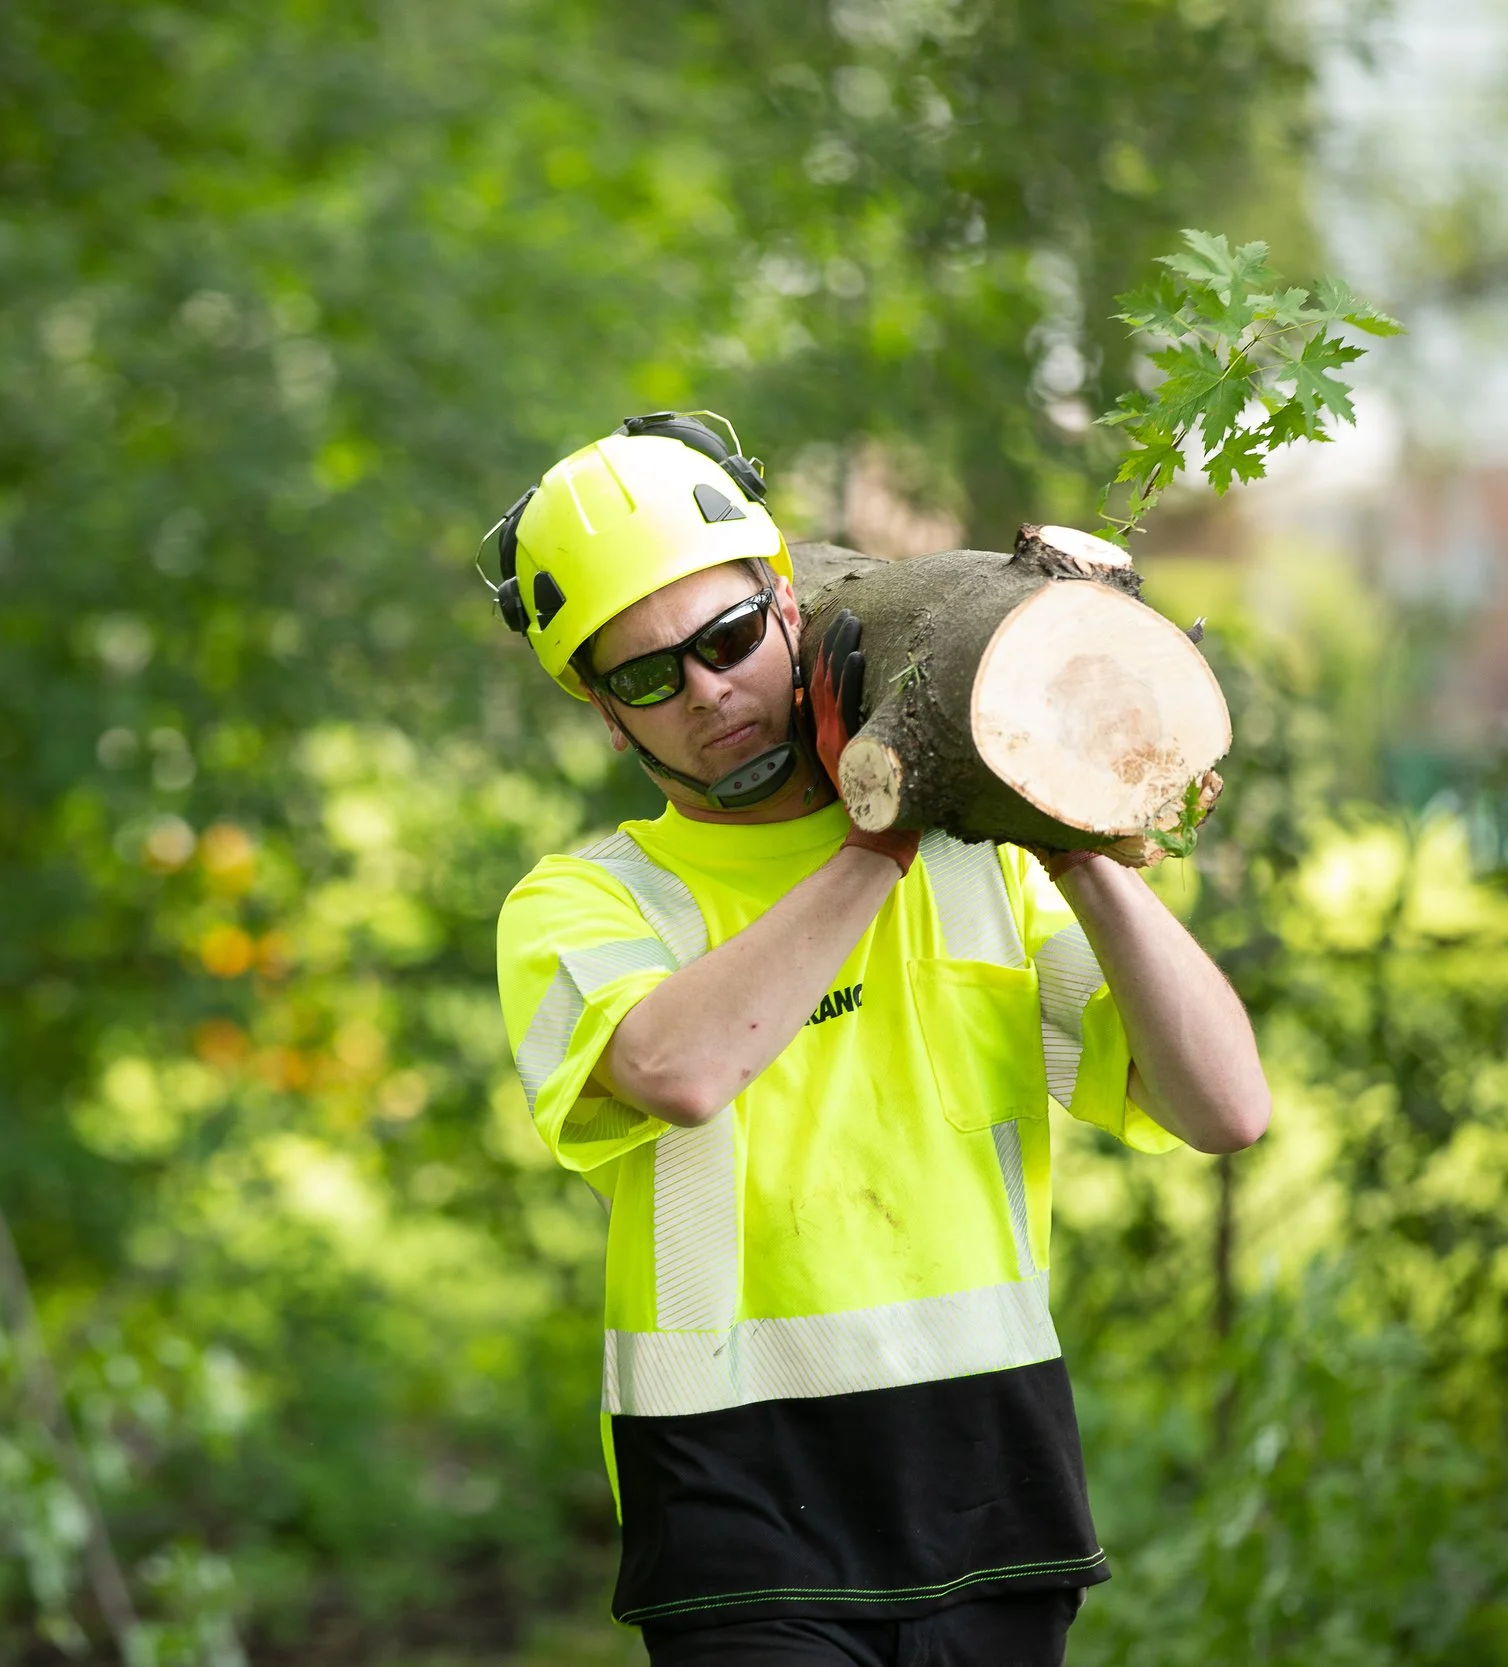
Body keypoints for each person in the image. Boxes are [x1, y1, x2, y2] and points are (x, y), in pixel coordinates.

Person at [487, 414, 1270, 1666]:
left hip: (991, 1487)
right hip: (736, 1512)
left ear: (789, 603)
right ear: (600, 708)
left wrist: (1074, 841)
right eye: (646, 675)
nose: (706, 691)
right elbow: (681, 1071)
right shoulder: (586, 904)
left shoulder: (984, 870)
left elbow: (1226, 1107)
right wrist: (877, 832)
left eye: (729, 639)